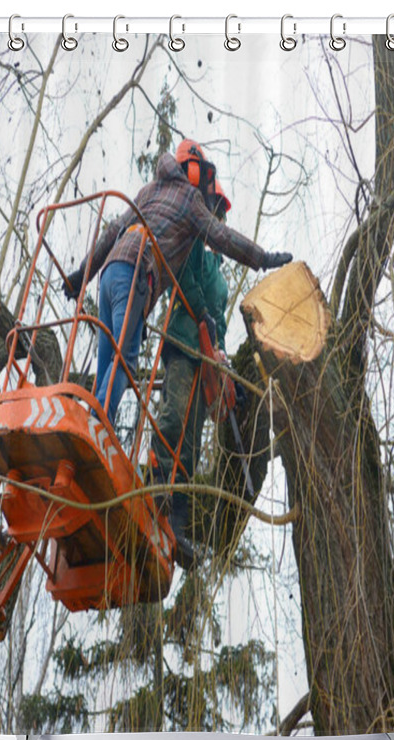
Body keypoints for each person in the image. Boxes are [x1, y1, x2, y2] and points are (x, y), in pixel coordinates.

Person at [63, 139, 291, 425]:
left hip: (109, 273)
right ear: (193, 170)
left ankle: (92, 419)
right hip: (137, 273)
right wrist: (263, 258)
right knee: (124, 362)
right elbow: (223, 237)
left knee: (108, 359)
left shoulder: (149, 191)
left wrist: (81, 276)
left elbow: (111, 232)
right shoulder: (189, 198)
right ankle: (95, 426)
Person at [151, 180, 234, 569]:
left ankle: (178, 522)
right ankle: (155, 484)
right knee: (173, 415)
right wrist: (200, 312)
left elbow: (221, 324)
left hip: (205, 362)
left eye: (220, 213)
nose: (217, 218)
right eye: (214, 209)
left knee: (192, 444)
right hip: (183, 343)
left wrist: (219, 353)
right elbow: (181, 275)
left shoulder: (222, 277)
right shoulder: (193, 250)